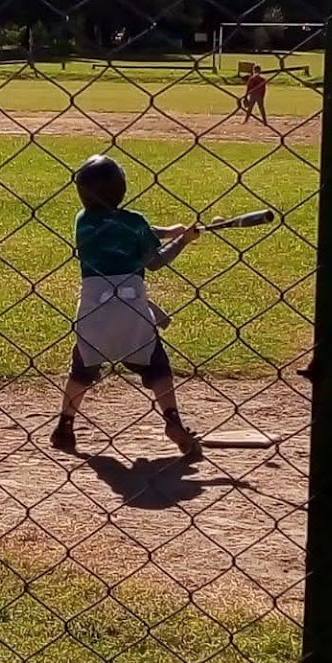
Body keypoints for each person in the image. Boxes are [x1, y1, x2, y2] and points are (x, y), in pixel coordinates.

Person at [49, 154, 204, 459]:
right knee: (157, 365)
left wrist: (167, 232)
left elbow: (122, 227)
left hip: (93, 308)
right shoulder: (134, 222)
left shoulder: (82, 220)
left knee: (81, 369)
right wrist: (183, 241)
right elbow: (155, 260)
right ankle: (173, 421)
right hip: (132, 308)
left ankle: (65, 426)